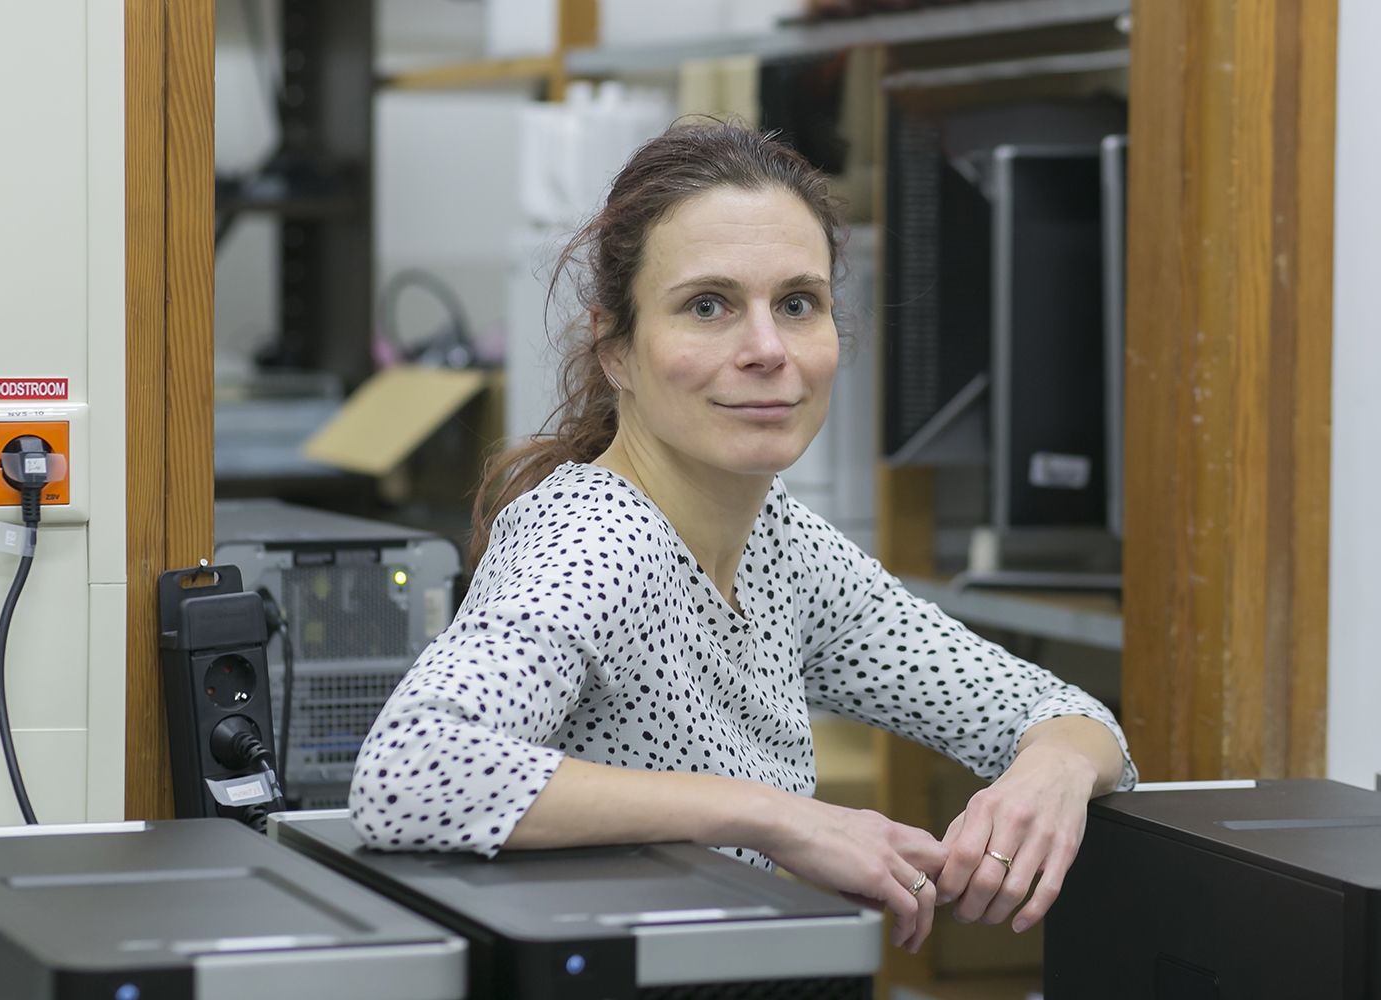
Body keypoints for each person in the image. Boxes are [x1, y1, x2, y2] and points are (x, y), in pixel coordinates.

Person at [351, 122, 1135, 956]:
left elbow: (1064, 717)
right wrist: (776, 817)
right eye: (708, 306)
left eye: (797, 304)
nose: (767, 349)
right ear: (615, 347)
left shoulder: (781, 543)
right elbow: (409, 772)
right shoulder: (598, 539)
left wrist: (1052, 769)